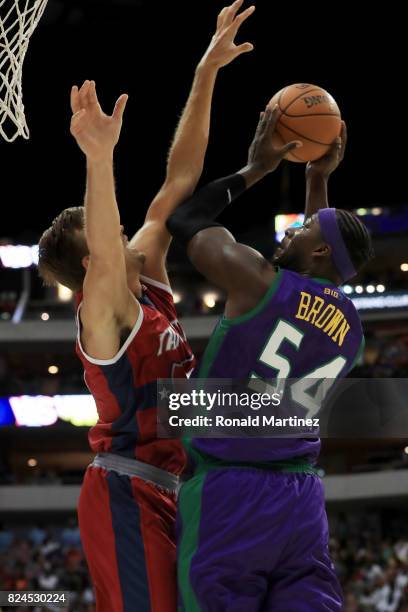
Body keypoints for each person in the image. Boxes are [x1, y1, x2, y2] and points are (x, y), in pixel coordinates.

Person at [37, 2, 255, 610]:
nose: (126, 233)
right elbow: (106, 259)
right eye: (108, 232)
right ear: (89, 267)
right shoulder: (101, 315)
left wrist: (207, 70)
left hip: (172, 489)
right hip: (125, 494)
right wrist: (99, 157)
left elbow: (178, 182)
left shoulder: (147, 274)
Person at [167, 108, 374, 611]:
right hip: (301, 500)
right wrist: (317, 181)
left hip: (230, 490)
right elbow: (322, 274)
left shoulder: (256, 279)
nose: (289, 233)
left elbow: (185, 220)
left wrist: (255, 168)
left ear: (321, 250)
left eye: (302, 230)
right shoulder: (353, 332)